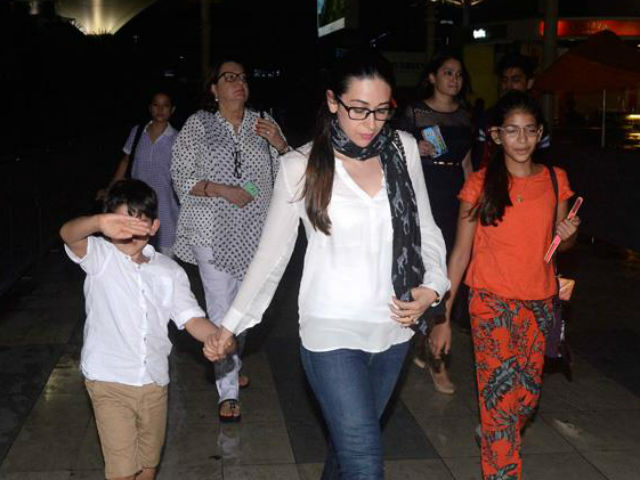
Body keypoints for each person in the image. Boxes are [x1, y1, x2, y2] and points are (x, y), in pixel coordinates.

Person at [206, 49, 449, 479]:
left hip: (394, 327)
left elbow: (425, 228)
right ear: (334, 101)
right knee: (364, 461)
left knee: (348, 448)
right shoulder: (299, 165)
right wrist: (231, 326)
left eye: (381, 110)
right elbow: (271, 256)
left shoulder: (404, 149)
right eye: (359, 109)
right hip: (331, 328)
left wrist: (433, 286)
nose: (370, 123)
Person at [435, 91, 580, 480]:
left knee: (525, 399)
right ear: (496, 135)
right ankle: (500, 460)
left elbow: (558, 245)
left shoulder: (555, 179)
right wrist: (443, 317)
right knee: (500, 404)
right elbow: (460, 254)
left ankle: (495, 434)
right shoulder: (479, 184)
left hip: (540, 302)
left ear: (540, 134)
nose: (521, 139)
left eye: (530, 130)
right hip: (491, 305)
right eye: (512, 131)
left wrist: (568, 235)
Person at [60, 179, 231, 480]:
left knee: (148, 466)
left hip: (154, 382)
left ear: (154, 227)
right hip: (109, 380)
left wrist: (216, 337)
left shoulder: (169, 271)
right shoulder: (100, 256)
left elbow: (192, 319)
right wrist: (98, 222)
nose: (129, 233)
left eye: (137, 224)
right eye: (120, 224)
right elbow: (68, 233)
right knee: (123, 472)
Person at [171, 58, 289, 423]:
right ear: (214, 88)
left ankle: (232, 362)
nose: (239, 82)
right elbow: (181, 174)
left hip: (254, 230)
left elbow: (283, 174)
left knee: (246, 305)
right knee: (221, 307)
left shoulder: (263, 123)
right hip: (210, 228)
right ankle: (228, 391)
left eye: (243, 77)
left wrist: (279, 143)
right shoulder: (198, 124)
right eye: (229, 77)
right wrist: (223, 190)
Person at [395, 52, 473, 394]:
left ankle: (433, 349)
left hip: (456, 194)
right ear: (431, 77)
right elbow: (392, 153)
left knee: (452, 268)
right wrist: (415, 147)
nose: (454, 79)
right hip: (423, 193)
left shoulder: (465, 115)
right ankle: (430, 349)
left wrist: (473, 199)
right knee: (424, 267)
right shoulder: (413, 113)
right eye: (447, 72)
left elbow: (468, 162)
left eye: (459, 74)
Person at [97, 91, 179, 256]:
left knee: (165, 252)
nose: (160, 109)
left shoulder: (178, 138)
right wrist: (110, 189)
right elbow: (125, 161)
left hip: (165, 206)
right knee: (132, 247)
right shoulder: (138, 132)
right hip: (136, 202)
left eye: (165, 105)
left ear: (172, 110)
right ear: (150, 108)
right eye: (156, 105)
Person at [474, 53, 551, 169]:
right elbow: (479, 157)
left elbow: (545, 159)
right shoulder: (488, 118)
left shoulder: (537, 119)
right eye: (505, 80)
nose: (509, 86)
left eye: (515, 80)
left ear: (529, 83)